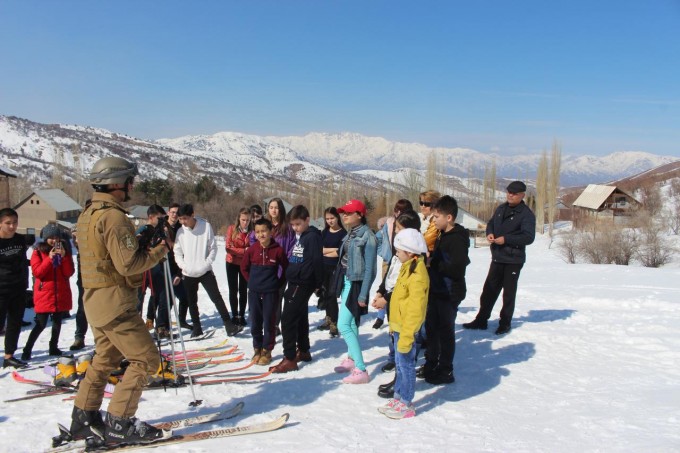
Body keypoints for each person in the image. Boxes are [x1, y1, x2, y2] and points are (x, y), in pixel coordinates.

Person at [69, 156, 170, 446]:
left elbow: (107, 257)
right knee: (146, 359)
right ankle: (120, 422)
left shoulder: (89, 213)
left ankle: (84, 416)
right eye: (129, 181)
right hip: (115, 304)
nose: (132, 185)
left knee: (105, 358)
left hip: (96, 301)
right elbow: (128, 265)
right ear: (116, 183)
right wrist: (158, 251)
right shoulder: (114, 216)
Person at [464, 181, 536, 335]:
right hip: (497, 256)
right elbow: (491, 223)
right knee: (489, 290)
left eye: (514, 193)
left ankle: (505, 323)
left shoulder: (526, 214)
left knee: (508, 293)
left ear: (522, 195)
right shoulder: (501, 208)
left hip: (513, 259)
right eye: (509, 192)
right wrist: (489, 232)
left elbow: (529, 237)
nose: (510, 195)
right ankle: (481, 319)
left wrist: (506, 239)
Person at [377, 228, 429, 419]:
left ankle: (407, 402)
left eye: (399, 251)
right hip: (398, 327)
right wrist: (393, 325)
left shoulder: (418, 274)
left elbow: (415, 310)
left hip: (407, 331)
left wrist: (407, 335)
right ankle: (398, 397)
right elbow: (399, 299)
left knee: (406, 367)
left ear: (409, 252)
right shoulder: (406, 268)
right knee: (399, 365)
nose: (396, 254)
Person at [372, 209, 422, 397]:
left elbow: (402, 288)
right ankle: (397, 379)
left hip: (402, 308)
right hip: (394, 306)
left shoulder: (412, 259)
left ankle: (403, 385)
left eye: (400, 229)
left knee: (404, 351)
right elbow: (390, 276)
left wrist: (386, 298)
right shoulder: (399, 252)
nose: (396, 233)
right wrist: (380, 290)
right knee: (394, 340)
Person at [173, 204, 243, 338]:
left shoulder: (205, 226)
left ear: (192, 215)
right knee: (192, 301)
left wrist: (206, 264)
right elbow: (177, 252)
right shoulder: (180, 232)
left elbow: (213, 248)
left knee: (216, 297)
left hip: (205, 271)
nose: (182, 222)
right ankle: (197, 328)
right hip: (188, 273)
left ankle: (229, 325)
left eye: (185, 218)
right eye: (180, 219)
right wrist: (184, 266)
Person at [270, 205, 324, 373]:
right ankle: (304, 350)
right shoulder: (302, 236)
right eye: (292, 225)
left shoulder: (312, 237)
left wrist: (318, 283)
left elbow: (317, 261)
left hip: (302, 282)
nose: (295, 228)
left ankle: (290, 358)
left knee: (287, 320)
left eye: (298, 224)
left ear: (307, 220)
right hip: (296, 280)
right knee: (300, 316)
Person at [423, 195, 470, 385]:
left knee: (445, 332)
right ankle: (431, 363)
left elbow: (457, 267)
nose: (434, 220)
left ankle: (445, 369)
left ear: (448, 217)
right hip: (437, 289)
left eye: (437, 217)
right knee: (432, 329)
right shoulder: (443, 234)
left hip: (449, 292)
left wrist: (433, 264)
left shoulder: (457, 238)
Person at [333, 199, 377, 384]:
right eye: (343, 212)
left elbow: (370, 269)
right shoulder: (351, 233)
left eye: (349, 213)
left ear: (360, 215)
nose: (344, 215)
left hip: (356, 284)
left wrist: (363, 294)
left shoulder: (368, 237)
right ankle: (351, 359)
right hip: (346, 280)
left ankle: (361, 368)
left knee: (342, 325)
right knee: (350, 324)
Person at [21, 224, 75, 360]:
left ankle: (53, 347)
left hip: (59, 292)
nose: (54, 240)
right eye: (51, 237)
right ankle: (27, 349)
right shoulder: (38, 251)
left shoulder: (64, 250)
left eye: (56, 237)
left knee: (57, 323)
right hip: (44, 294)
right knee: (40, 324)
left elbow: (68, 273)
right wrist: (49, 259)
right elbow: (38, 272)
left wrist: (64, 257)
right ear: (45, 238)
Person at [240, 218, 288, 366]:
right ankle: (257, 348)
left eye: (264, 231)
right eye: (258, 232)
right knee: (255, 322)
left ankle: (267, 350)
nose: (261, 235)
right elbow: (244, 268)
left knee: (269, 322)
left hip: (270, 293)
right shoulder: (251, 250)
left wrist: (276, 284)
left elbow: (286, 269)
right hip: (254, 292)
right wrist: (252, 282)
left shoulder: (278, 250)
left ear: (271, 232)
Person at [373, 199, 413, 329]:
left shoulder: (410, 225)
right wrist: (383, 252)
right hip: (390, 260)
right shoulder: (389, 223)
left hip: (405, 260)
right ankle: (381, 316)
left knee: (398, 289)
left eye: (403, 210)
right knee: (386, 285)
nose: (399, 213)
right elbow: (378, 238)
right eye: (397, 210)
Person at [0, 208, 31, 369]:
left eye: (15, 223)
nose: (12, 226)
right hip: (1, 290)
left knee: (15, 323)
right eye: (8, 223)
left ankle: (9, 356)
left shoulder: (20, 240)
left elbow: (22, 260)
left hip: (19, 288)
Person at [317, 207, 346, 337]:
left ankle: (334, 322)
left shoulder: (343, 233)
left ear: (337, 217)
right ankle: (328, 317)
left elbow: (339, 252)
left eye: (332, 218)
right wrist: (331, 250)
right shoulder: (324, 232)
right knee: (325, 293)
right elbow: (320, 250)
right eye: (327, 219)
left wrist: (328, 251)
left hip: (335, 268)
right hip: (323, 267)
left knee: (332, 294)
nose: (330, 221)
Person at [70, 199, 92, 351]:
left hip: (104, 273)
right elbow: (76, 240)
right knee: (83, 307)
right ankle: (79, 337)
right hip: (85, 274)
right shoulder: (80, 224)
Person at [166, 203, 191, 329]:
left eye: (177, 213)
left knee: (184, 296)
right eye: (173, 212)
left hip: (179, 266)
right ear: (168, 212)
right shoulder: (163, 227)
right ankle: (161, 323)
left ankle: (182, 320)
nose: (175, 215)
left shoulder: (181, 229)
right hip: (165, 265)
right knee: (166, 298)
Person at [225, 207, 251, 327]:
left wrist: (241, 251)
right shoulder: (232, 229)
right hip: (231, 263)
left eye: (247, 220)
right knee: (233, 290)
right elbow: (228, 248)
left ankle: (241, 315)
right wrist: (244, 250)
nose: (245, 222)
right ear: (239, 219)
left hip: (245, 264)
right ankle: (234, 315)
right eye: (243, 219)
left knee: (243, 290)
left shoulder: (251, 232)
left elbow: (252, 250)